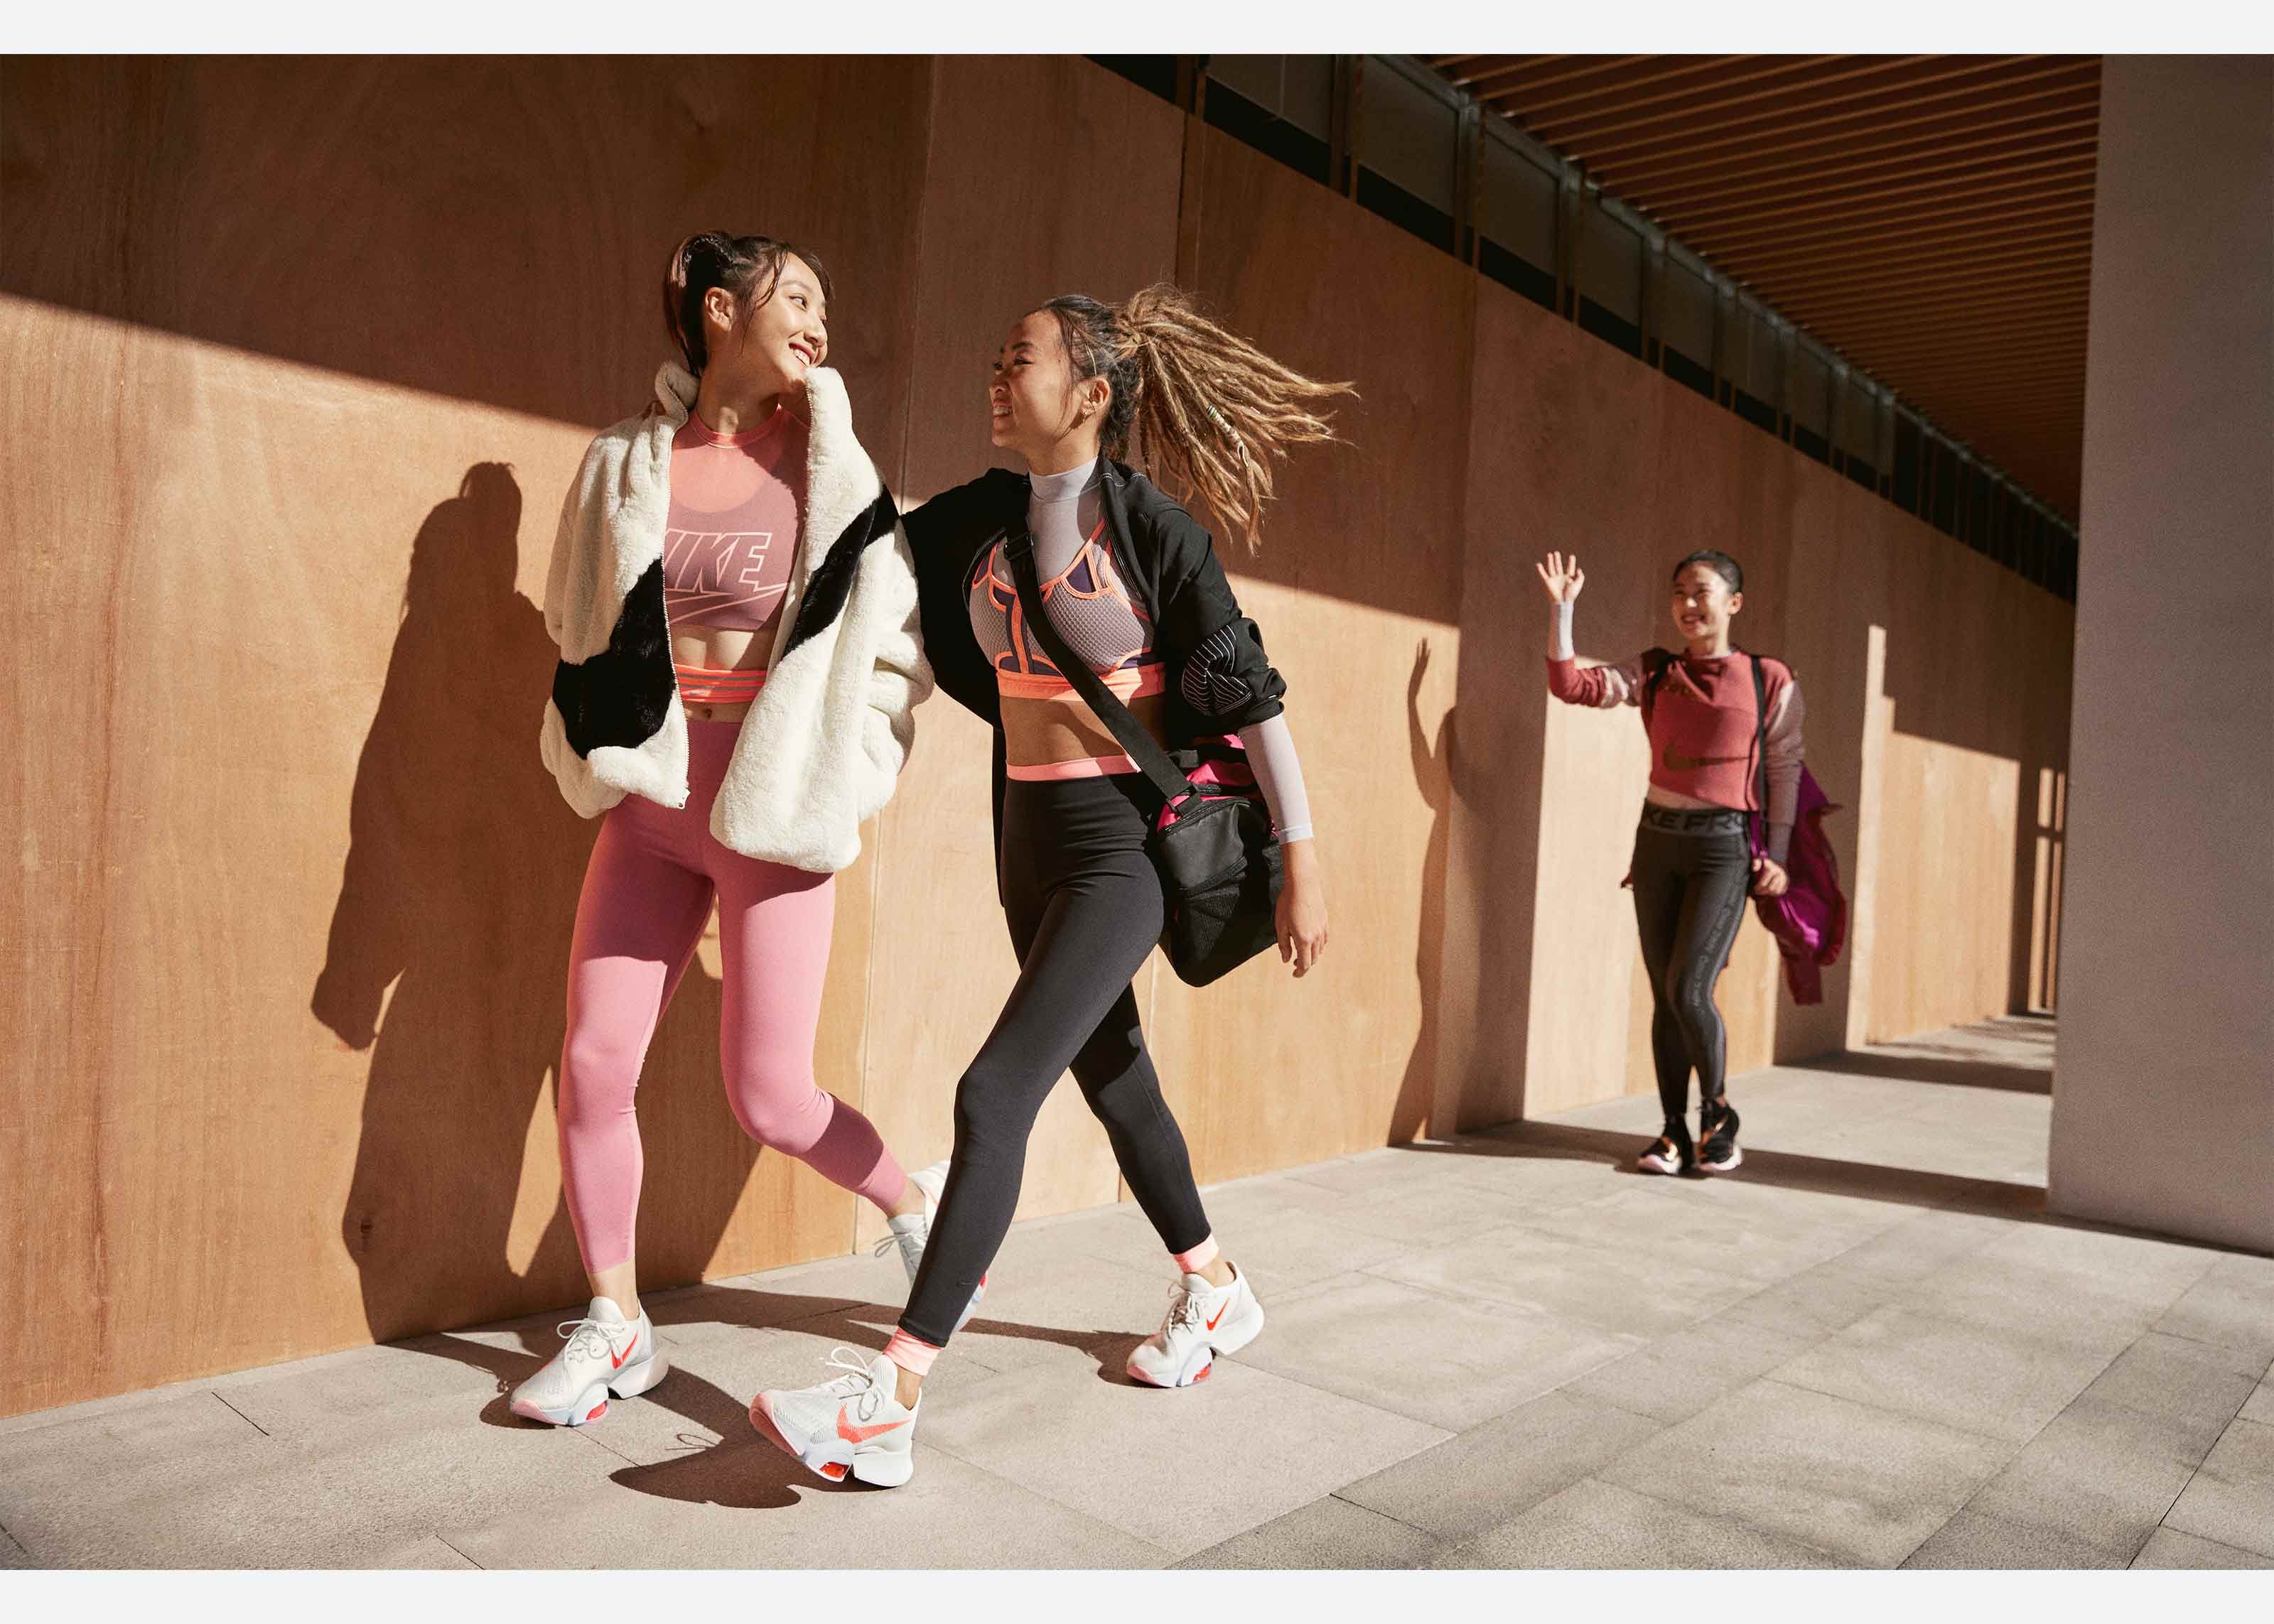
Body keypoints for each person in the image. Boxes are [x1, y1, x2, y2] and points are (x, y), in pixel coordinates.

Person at [750, 286, 1343, 1487]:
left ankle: (891, 1398)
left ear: (1090, 394)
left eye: (1016, 360)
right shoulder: (981, 513)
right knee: (1117, 1081)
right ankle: (1217, 1288)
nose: (994, 375)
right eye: (994, 355)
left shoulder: (1151, 526)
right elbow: (867, 550)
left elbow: (1250, 694)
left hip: (1123, 848)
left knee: (992, 1092)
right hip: (1027, 836)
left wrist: (1305, 857)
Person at [512, 232, 972, 1428]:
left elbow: (892, 659)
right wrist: (592, 742)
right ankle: (617, 1330)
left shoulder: (838, 467)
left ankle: (909, 1197)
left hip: (770, 813)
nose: (820, 324)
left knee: (769, 1098)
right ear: (721, 311)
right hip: (659, 802)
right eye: (798, 298)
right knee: (595, 1063)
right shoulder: (626, 461)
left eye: (826, 303)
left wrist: (847, 774)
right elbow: (577, 617)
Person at [1537, 548, 1804, 1177]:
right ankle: (1672, 1133)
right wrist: (1564, 612)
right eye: (1679, 592)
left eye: (1702, 591)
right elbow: (1572, 686)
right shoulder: (1655, 671)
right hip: (1657, 841)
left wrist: (1782, 858)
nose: (1688, 603)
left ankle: (1718, 1118)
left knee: (1690, 987)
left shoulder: (1768, 677)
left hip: (1724, 848)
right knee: (1665, 995)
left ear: (1733, 603)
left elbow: (1786, 767)